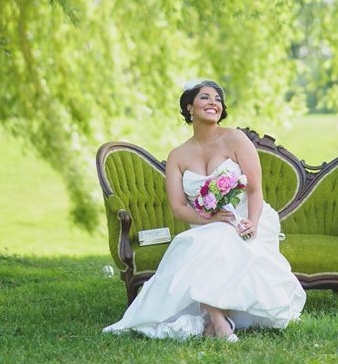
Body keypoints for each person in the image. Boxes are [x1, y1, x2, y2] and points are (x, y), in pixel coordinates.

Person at [103, 79, 306, 341]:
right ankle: (218, 320)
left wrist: (252, 222)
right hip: (205, 223)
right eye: (205, 98)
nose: (213, 103)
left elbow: (255, 190)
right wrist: (206, 217)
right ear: (189, 107)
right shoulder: (178, 155)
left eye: (218, 100)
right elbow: (178, 208)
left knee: (218, 241)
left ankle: (216, 321)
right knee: (200, 241)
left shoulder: (235, 139)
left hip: (247, 217)